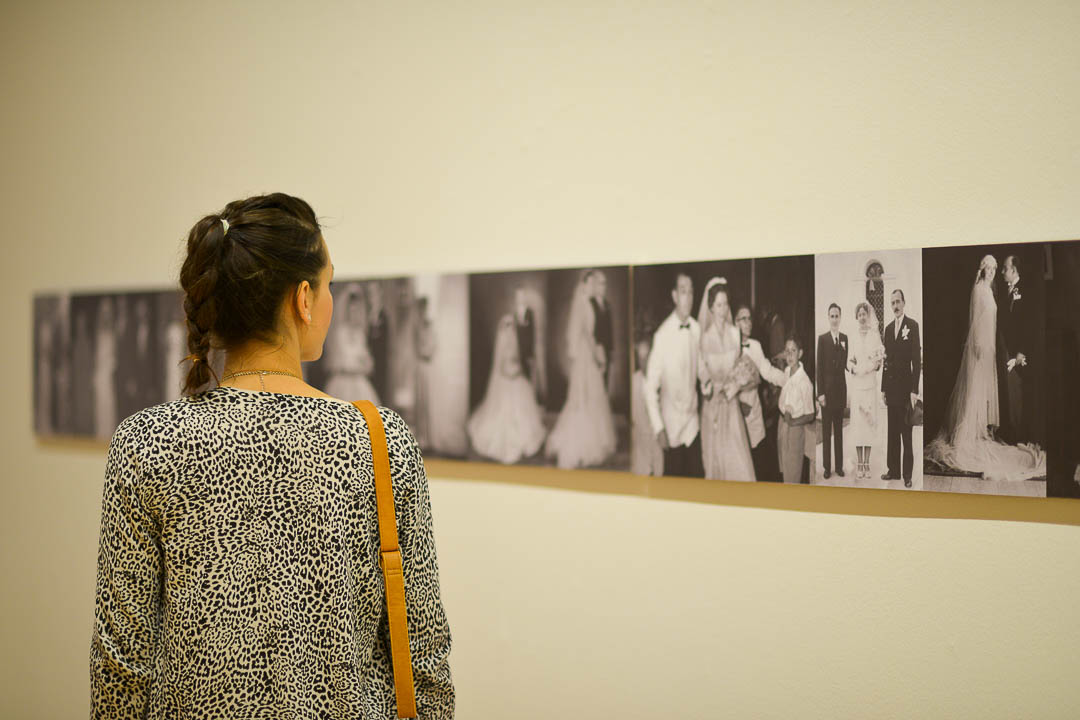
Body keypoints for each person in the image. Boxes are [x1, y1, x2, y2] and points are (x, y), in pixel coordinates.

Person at [90, 193, 454, 717]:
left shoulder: (147, 443)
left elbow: (121, 663)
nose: (329, 301)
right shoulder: (379, 441)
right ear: (303, 299)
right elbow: (424, 654)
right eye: (329, 284)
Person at [925, 255, 1045, 481]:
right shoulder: (979, 289)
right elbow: (976, 320)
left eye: (995, 269)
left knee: (987, 391)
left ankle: (982, 430)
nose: (991, 272)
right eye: (988, 269)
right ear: (982, 270)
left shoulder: (990, 290)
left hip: (991, 349)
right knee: (976, 390)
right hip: (981, 347)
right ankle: (969, 432)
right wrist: (979, 346)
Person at [545, 270, 618, 469]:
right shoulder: (584, 304)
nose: (593, 286)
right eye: (591, 283)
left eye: (596, 283)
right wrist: (597, 355)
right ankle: (582, 442)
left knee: (590, 396)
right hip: (587, 355)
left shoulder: (588, 303)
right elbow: (588, 335)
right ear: (584, 285)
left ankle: (592, 436)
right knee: (584, 396)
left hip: (589, 353)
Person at [644, 272, 705, 477]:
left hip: (693, 425)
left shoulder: (697, 330)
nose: (688, 297)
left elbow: (701, 371)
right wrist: (658, 428)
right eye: (683, 291)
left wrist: (709, 385)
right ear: (674, 296)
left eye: (691, 292)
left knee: (697, 484)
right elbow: (650, 387)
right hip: (670, 429)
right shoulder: (662, 335)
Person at [697, 279, 756, 481]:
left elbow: (740, 367)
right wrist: (706, 387)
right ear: (711, 308)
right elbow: (702, 372)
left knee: (737, 463)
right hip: (713, 406)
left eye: (726, 304)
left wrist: (736, 386)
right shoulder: (704, 338)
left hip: (731, 406)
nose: (723, 310)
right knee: (716, 462)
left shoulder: (734, 333)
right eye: (719, 305)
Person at [468, 314, 548, 464]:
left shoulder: (514, 343)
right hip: (506, 378)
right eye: (508, 329)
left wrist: (518, 370)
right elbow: (502, 368)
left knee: (524, 392)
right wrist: (513, 373)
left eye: (512, 329)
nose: (511, 333)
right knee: (507, 404)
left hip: (515, 375)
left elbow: (516, 359)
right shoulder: (502, 346)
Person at [735, 303, 789, 481]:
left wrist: (790, 381)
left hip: (755, 415)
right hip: (735, 417)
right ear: (734, 322)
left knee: (759, 465)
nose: (749, 322)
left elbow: (768, 371)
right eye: (744, 319)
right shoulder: (728, 348)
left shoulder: (755, 346)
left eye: (750, 318)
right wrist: (736, 405)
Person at [881, 288, 921, 487]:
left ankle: (907, 475)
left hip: (906, 391)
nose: (895, 306)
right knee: (892, 432)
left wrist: (915, 390)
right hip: (891, 389)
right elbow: (885, 361)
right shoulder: (888, 329)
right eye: (892, 303)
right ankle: (893, 470)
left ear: (904, 303)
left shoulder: (912, 326)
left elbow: (917, 361)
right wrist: (883, 388)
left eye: (898, 302)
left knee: (906, 433)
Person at [324, 286, 382, 405]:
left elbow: (367, 361)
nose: (354, 314)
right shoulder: (340, 333)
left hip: (359, 382)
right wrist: (353, 365)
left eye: (357, 310)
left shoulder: (360, 334)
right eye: (351, 310)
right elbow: (336, 362)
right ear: (347, 311)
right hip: (342, 382)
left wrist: (364, 364)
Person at [847, 302, 884, 480]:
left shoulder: (874, 336)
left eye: (864, 314)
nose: (862, 317)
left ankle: (867, 464)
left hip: (869, 386)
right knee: (858, 427)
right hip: (857, 388)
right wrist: (853, 369)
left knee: (868, 426)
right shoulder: (852, 336)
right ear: (856, 317)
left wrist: (868, 368)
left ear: (868, 316)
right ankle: (859, 463)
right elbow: (848, 361)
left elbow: (878, 362)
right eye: (859, 314)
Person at [999, 255, 1031, 443]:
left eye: (1005, 268)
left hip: (1018, 353)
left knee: (1018, 395)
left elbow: (1028, 324)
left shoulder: (1025, 290)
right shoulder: (1005, 291)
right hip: (1006, 350)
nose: (1002, 272)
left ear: (1014, 270)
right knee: (1010, 396)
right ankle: (1011, 436)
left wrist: (1021, 352)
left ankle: (1019, 438)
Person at [776, 336, 816, 483]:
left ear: (800, 354)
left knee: (792, 473)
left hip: (795, 430)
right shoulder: (787, 371)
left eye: (793, 351)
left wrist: (793, 422)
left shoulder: (805, 382)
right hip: (783, 424)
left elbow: (811, 414)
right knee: (784, 469)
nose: (790, 355)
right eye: (787, 351)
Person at [817, 303, 848, 479]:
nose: (835, 319)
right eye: (832, 316)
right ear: (828, 318)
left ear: (840, 317)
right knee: (827, 432)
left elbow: (844, 364)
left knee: (839, 431)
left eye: (837, 316)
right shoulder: (822, 339)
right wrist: (820, 393)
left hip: (840, 392)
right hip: (826, 395)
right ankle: (827, 467)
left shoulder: (844, 338)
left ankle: (839, 466)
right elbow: (819, 368)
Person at [631, 337, 664, 475]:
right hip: (640, 440)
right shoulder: (634, 381)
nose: (644, 362)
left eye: (647, 357)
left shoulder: (661, 380)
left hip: (657, 439)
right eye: (641, 358)